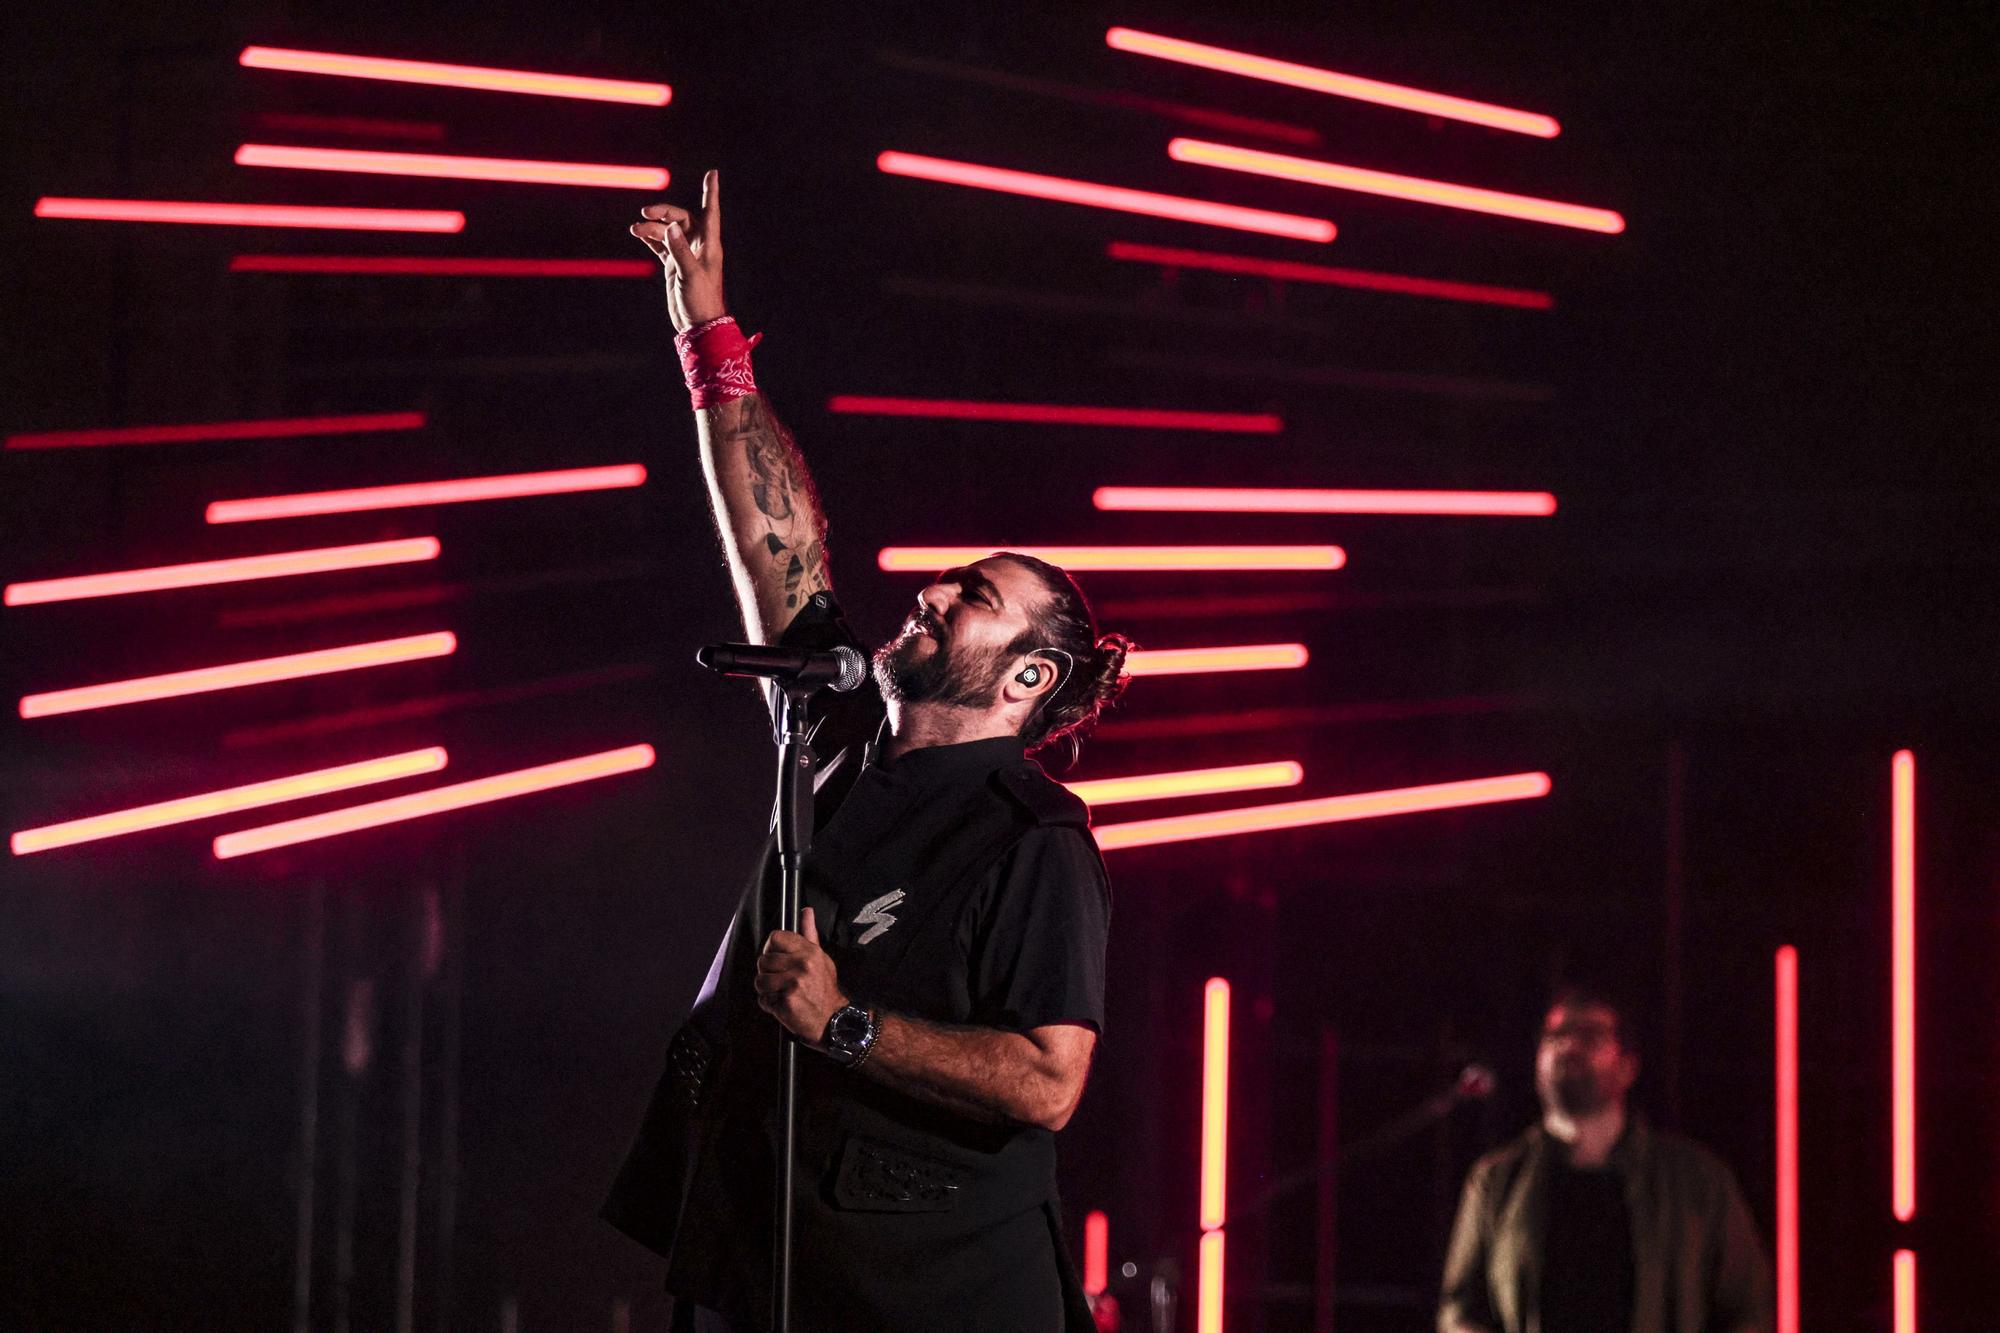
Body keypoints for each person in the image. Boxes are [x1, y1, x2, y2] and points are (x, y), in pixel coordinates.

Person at [601, 171, 1133, 1333]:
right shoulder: (831, 729)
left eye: (977, 595)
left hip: (932, 1300)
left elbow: (1050, 1079)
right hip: (764, 1266)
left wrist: (848, 1025)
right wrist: (709, 337)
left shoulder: (1031, 838)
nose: (933, 588)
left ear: (1029, 675)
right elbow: (772, 541)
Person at [1439, 987, 1774, 1333]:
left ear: (1628, 1067)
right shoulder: (1496, 1181)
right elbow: (1460, 1311)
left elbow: (1748, 1308)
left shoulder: (1698, 1181)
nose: (1568, 1045)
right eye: (1555, 1035)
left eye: (1589, 1034)